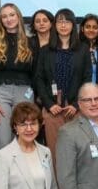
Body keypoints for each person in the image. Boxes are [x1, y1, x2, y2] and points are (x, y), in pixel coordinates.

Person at [33, 8, 91, 158]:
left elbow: (87, 79)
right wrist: (48, 104)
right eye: (60, 21)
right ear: (55, 25)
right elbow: (38, 78)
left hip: (75, 107)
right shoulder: (45, 50)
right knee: (54, 151)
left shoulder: (83, 50)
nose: (63, 25)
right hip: (53, 108)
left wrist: (77, 104)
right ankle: (57, 182)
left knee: (78, 150)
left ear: (73, 25)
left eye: (67, 21)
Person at [0, 3, 36, 150]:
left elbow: (37, 73)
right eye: (4, 16)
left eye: (12, 15)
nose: (8, 19)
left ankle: (23, 173)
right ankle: (3, 173)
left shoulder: (31, 42)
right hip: (0, 94)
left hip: (25, 92)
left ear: (18, 16)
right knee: (4, 141)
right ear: (1, 20)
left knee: (25, 137)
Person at [79, 13, 98, 85]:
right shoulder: (75, 48)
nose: (91, 30)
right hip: (80, 92)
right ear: (82, 29)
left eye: (95, 27)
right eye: (88, 27)